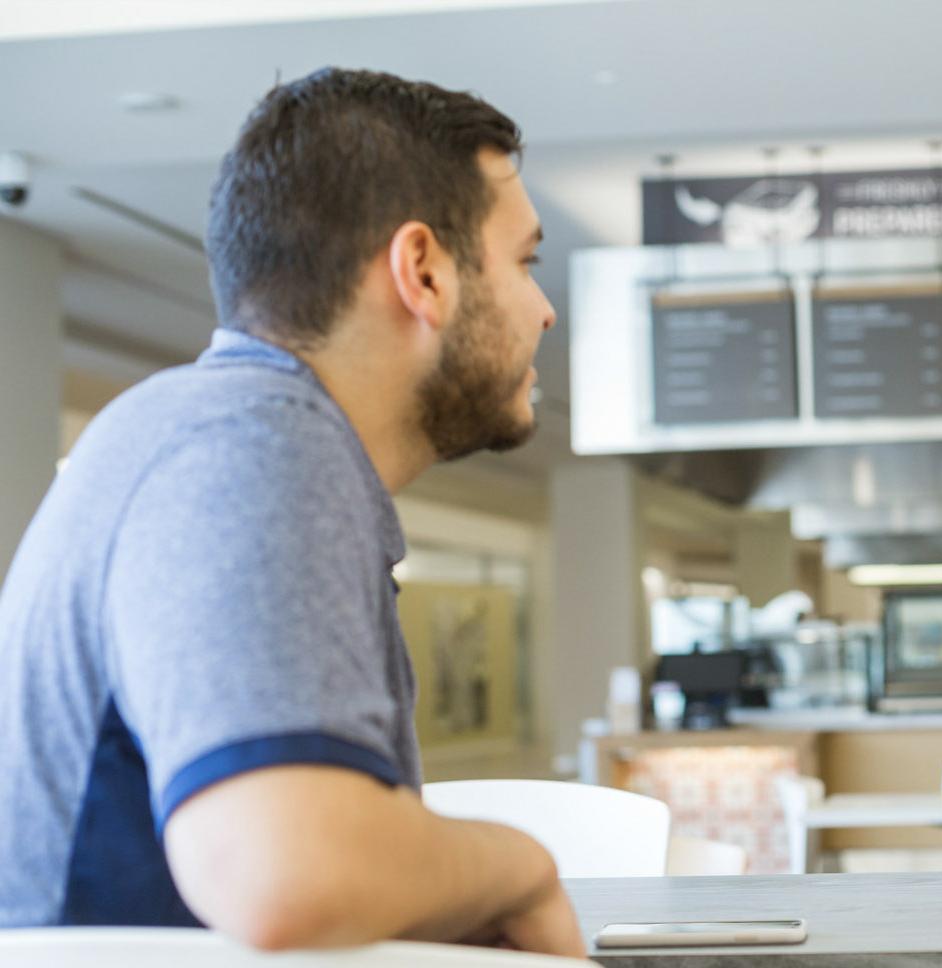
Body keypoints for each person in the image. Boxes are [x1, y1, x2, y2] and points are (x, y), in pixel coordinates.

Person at [0, 68, 584, 955]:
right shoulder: (253, 444)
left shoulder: (225, 435)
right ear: (422, 271)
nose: (544, 311)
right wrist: (525, 868)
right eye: (526, 262)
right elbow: (290, 871)